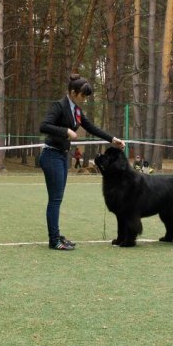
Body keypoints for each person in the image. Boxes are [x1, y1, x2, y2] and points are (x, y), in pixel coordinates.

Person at [39, 73, 125, 250]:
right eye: (82, 96)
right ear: (72, 92)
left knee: (58, 198)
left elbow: (91, 127)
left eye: (86, 96)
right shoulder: (59, 105)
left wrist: (112, 139)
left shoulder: (76, 110)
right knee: (55, 199)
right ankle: (54, 240)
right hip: (51, 155)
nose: (84, 99)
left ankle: (56, 235)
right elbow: (44, 126)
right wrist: (66, 131)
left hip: (63, 155)